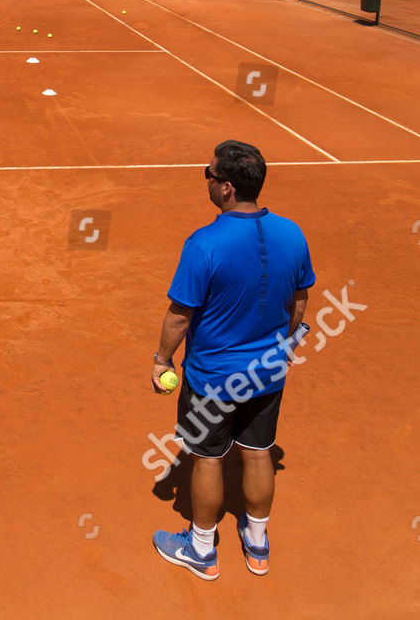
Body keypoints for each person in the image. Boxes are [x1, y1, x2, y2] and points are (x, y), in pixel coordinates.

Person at [150, 140, 314, 582]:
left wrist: (161, 360)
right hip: (268, 373)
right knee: (258, 453)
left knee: (208, 459)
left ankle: (202, 550)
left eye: (207, 174)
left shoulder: (204, 244)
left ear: (224, 188)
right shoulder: (293, 233)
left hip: (212, 379)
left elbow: (180, 316)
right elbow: (300, 299)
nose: (205, 179)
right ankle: (257, 544)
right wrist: (286, 340)